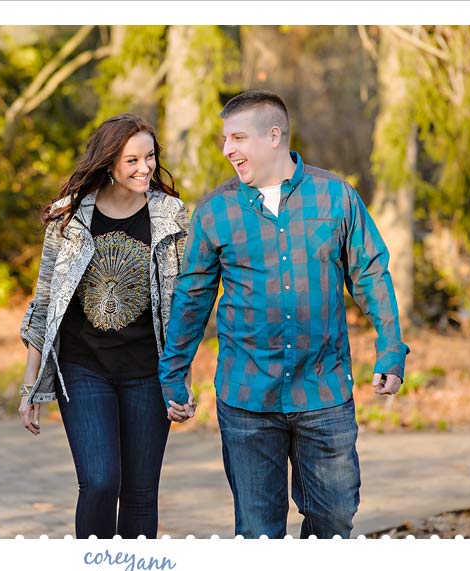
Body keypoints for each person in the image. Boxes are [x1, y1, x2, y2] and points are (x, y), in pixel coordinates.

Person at [158, 90, 410, 539]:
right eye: (224, 139)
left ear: (274, 136)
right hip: (247, 396)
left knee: (335, 521)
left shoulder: (335, 197)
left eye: (237, 138)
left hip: (324, 392)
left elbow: (370, 274)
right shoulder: (216, 211)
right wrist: (174, 372)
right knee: (258, 534)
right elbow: (192, 296)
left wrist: (391, 349)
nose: (227, 150)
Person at [18, 113, 193, 539]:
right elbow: (44, 304)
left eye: (150, 157)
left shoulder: (171, 216)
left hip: (147, 374)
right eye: (132, 160)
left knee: (140, 492)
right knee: (99, 481)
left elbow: (183, 308)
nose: (145, 168)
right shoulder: (70, 218)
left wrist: (180, 381)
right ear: (109, 162)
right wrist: (30, 387)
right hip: (84, 369)